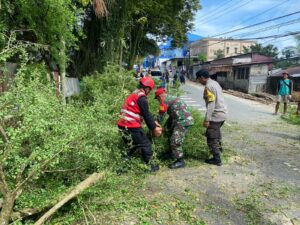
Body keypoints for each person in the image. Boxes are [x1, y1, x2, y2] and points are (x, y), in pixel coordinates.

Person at [117, 77, 162, 172]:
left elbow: (143, 112)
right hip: (131, 127)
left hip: (122, 125)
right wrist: (154, 128)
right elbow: (146, 115)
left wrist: (153, 121)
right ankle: (150, 166)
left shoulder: (134, 94)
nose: (149, 92)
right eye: (149, 90)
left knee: (132, 145)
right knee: (146, 145)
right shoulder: (142, 98)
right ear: (147, 88)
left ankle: (122, 166)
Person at [155, 88, 194, 169]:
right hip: (179, 119)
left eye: (157, 98)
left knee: (175, 140)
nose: (158, 100)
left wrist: (155, 124)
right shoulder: (170, 98)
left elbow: (161, 116)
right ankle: (172, 153)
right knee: (167, 131)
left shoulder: (164, 100)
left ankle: (180, 161)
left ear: (159, 96)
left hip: (183, 121)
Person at [196, 69, 227, 166]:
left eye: (198, 79)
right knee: (216, 132)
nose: (198, 81)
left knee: (211, 137)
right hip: (223, 114)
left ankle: (217, 159)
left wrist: (207, 119)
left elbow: (211, 104)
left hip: (215, 115)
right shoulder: (215, 83)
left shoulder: (208, 87)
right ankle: (220, 149)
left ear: (202, 77)